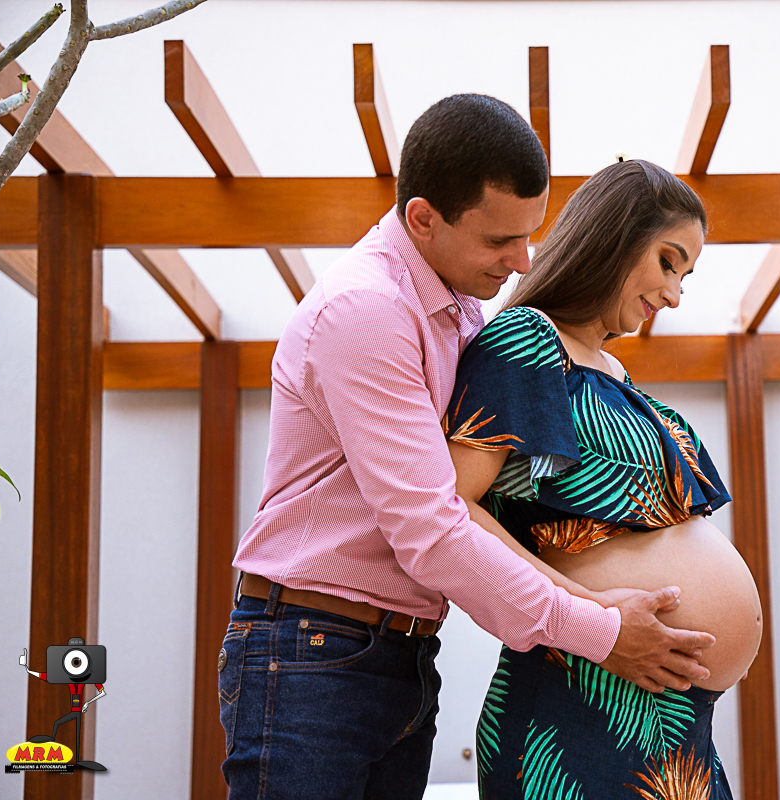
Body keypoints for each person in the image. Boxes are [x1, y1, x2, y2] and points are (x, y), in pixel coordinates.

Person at [219, 96, 716, 800]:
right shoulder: (365, 310)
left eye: (530, 235)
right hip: (313, 647)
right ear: (423, 217)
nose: (522, 261)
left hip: (400, 649)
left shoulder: (462, 315)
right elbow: (432, 525)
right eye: (500, 241)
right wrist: (600, 629)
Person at [445, 159, 763, 799]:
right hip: (582, 699)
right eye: (668, 262)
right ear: (614, 238)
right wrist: (596, 619)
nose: (674, 294)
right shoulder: (527, 339)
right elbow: (452, 507)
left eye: (685, 277)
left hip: (672, 723)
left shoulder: (613, 371)